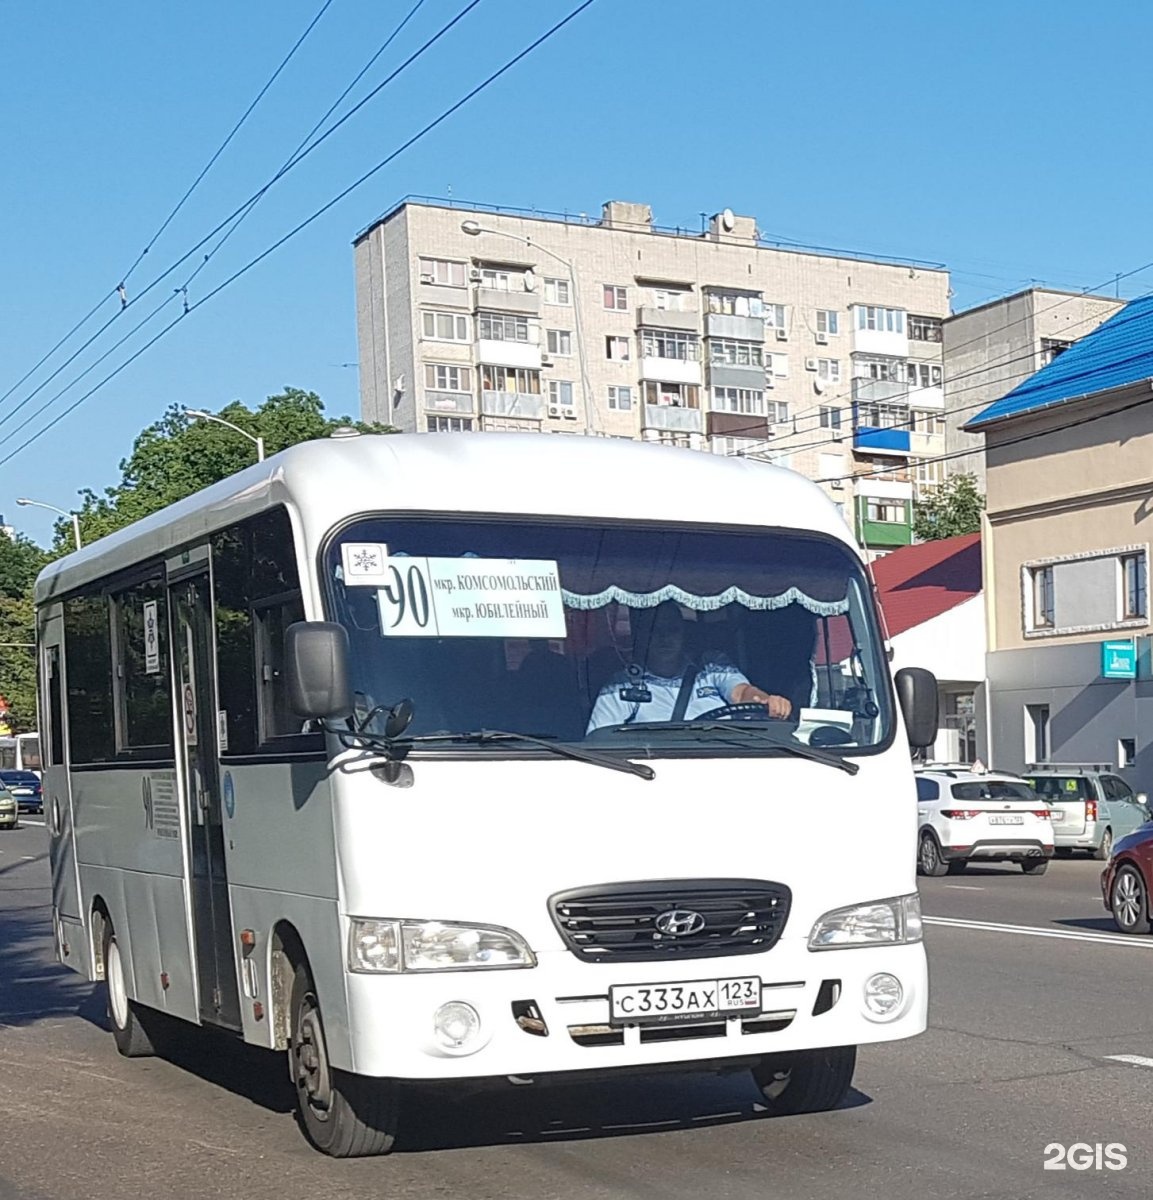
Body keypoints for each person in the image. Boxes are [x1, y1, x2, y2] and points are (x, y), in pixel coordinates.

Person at [586, 600, 793, 732]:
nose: (665, 638)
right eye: (656, 631)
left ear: (683, 633)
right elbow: (600, 740)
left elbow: (741, 693)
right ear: (642, 636)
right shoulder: (622, 686)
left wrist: (767, 701)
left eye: (672, 630)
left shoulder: (711, 667)